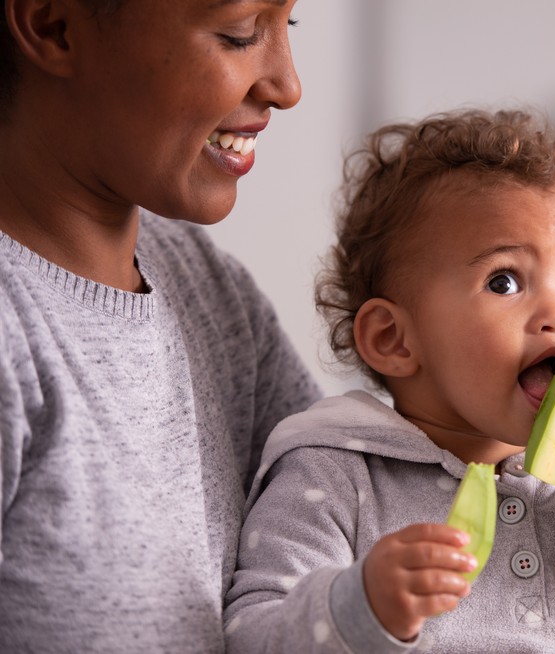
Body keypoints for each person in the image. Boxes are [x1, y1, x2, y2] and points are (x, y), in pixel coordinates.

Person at [223, 108, 555, 653]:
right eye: (504, 281)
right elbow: (254, 638)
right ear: (394, 339)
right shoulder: (334, 474)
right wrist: (361, 605)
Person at [0, 0, 322, 651]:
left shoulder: (206, 286)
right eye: (239, 34)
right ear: (52, 24)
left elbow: (354, 506)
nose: (287, 86)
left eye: (289, 25)